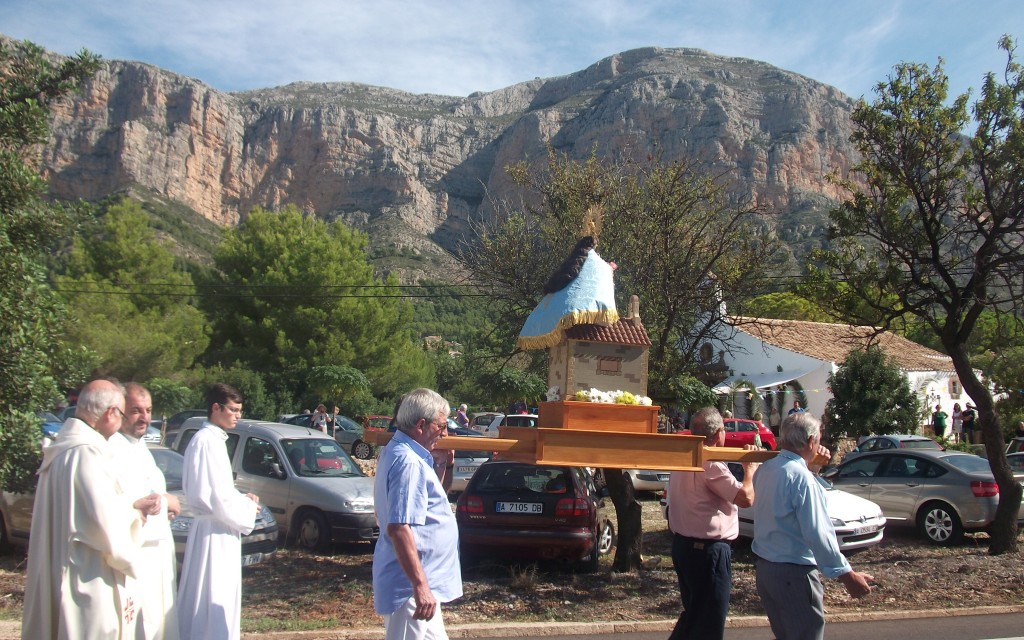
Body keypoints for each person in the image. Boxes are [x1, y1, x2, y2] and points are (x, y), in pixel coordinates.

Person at [23, 379, 162, 640]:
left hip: (61, 566)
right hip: (87, 576)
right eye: (123, 414)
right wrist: (136, 515)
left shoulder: (63, 448)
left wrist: (130, 505)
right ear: (111, 413)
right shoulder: (87, 454)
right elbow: (103, 525)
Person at [752, 412, 873, 640]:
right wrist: (847, 575)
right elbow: (818, 533)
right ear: (810, 441)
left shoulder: (766, 469)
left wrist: (813, 468)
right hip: (793, 574)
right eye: (819, 439)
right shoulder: (801, 478)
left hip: (767, 570)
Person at [373, 388, 462, 639]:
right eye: (441, 426)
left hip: (419, 585)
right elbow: (399, 528)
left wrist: (444, 463)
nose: (445, 433)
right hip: (410, 589)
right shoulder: (408, 462)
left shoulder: (404, 453)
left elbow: (431, 501)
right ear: (421, 425)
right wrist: (419, 585)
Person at [177, 383, 261, 640]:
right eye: (233, 410)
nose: (238, 416)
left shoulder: (213, 441)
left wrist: (241, 498)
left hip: (219, 527)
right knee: (211, 595)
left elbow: (219, 491)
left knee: (217, 595)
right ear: (216, 408)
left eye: (240, 410)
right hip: (213, 531)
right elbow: (215, 497)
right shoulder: (206, 442)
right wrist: (248, 506)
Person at [666, 407, 758, 640]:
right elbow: (746, 498)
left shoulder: (685, 458)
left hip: (685, 547)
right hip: (707, 552)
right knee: (708, 622)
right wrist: (750, 470)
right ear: (719, 433)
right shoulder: (710, 463)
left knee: (695, 616)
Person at [109, 382, 181, 640]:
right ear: (120, 411)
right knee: (142, 624)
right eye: (136, 410)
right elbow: (129, 503)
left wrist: (165, 504)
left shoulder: (139, 446)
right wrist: (166, 502)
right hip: (138, 553)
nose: (144, 417)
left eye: (148, 410)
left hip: (157, 550)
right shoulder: (113, 448)